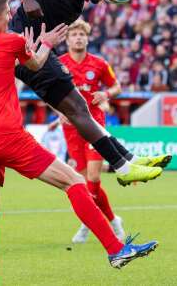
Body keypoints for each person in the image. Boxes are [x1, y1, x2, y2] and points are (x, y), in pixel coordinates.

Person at [0, 0, 158, 285]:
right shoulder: (10, 41)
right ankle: (116, 249)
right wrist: (46, 43)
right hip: (7, 135)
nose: (11, 17)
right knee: (74, 181)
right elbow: (35, 65)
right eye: (8, 13)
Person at [3, 0, 169, 186]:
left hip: (38, 50)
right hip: (24, 48)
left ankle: (128, 160)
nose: (99, 0)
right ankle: (124, 166)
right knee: (79, 108)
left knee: (80, 109)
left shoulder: (78, 3)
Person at [52, 19, 126, 243]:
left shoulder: (99, 63)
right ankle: (114, 221)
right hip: (71, 128)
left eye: (82, 35)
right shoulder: (58, 64)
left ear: (87, 38)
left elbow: (116, 86)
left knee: (93, 177)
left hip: (94, 124)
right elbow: (48, 92)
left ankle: (86, 225)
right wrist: (58, 110)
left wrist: (106, 94)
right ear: (66, 39)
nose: (78, 38)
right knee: (85, 183)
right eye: (74, 34)